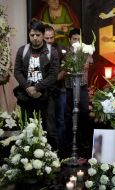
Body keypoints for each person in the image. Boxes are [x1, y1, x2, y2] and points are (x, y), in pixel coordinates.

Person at [14, 19, 60, 150]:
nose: (34, 38)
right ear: (29, 35)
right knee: (26, 130)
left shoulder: (52, 51)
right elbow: (17, 71)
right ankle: (28, 160)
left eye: (38, 35)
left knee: (50, 130)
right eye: (32, 35)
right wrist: (28, 88)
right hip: (26, 95)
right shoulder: (22, 50)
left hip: (45, 95)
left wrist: (38, 88)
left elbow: (53, 74)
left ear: (43, 34)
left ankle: (53, 160)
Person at [64, 28, 92, 157]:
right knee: (69, 114)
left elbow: (87, 64)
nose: (76, 41)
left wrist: (83, 59)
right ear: (70, 40)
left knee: (84, 111)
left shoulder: (85, 51)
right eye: (74, 39)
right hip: (68, 87)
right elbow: (64, 67)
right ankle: (70, 141)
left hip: (82, 86)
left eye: (78, 39)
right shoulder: (65, 52)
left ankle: (84, 139)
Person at [44, 24, 66, 154]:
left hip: (60, 89)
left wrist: (54, 78)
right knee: (48, 121)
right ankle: (50, 151)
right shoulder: (38, 51)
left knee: (61, 120)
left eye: (52, 37)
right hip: (46, 91)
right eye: (47, 38)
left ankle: (61, 151)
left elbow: (65, 69)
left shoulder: (60, 49)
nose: (50, 40)